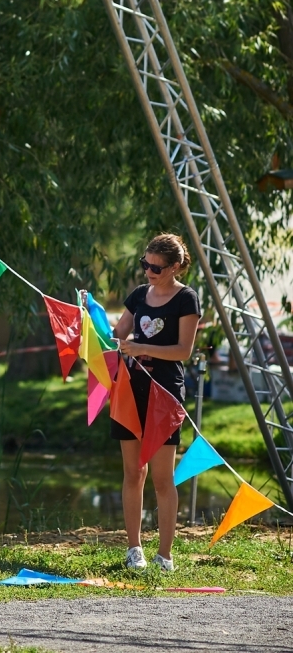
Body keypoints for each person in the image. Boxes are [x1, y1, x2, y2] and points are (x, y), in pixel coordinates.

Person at [111, 232, 200, 573]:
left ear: (175, 267)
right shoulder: (138, 296)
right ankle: (135, 550)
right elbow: (118, 334)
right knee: (134, 472)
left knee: (163, 478)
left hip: (165, 393)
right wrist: (89, 317)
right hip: (130, 390)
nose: (148, 271)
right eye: (144, 264)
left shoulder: (186, 299)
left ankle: (165, 556)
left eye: (155, 267)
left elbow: (183, 351)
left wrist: (142, 348)